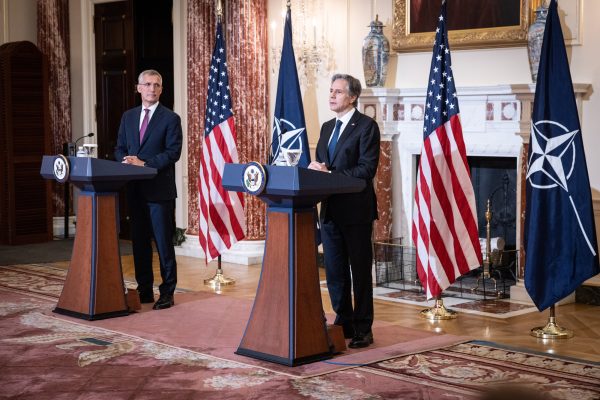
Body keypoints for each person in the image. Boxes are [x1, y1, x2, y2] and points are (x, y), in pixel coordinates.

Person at [308, 73, 380, 348]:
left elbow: (366, 170)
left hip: (356, 211)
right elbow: (322, 162)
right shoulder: (327, 127)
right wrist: (317, 169)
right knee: (335, 271)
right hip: (330, 210)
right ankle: (344, 320)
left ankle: (364, 327)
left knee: (359, 271)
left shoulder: (366, 127)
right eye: (331, 91)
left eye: (338, 92)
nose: (332, 95)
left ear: (352, 97)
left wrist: (331, 171)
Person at [114, 69, 183, 310]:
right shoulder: (128, 117)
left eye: (156, 85)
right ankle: (144, 290)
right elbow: (120, 147)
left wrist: (145, 164)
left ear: (161, 89)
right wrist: (125, 160)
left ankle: (167, 292)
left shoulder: (170, 119)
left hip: (159, 191)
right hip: (135, 190)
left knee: (163, 243)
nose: (152, 89)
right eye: (147, 84)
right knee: (139, 243)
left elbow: (173, 152)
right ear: (138, 88)